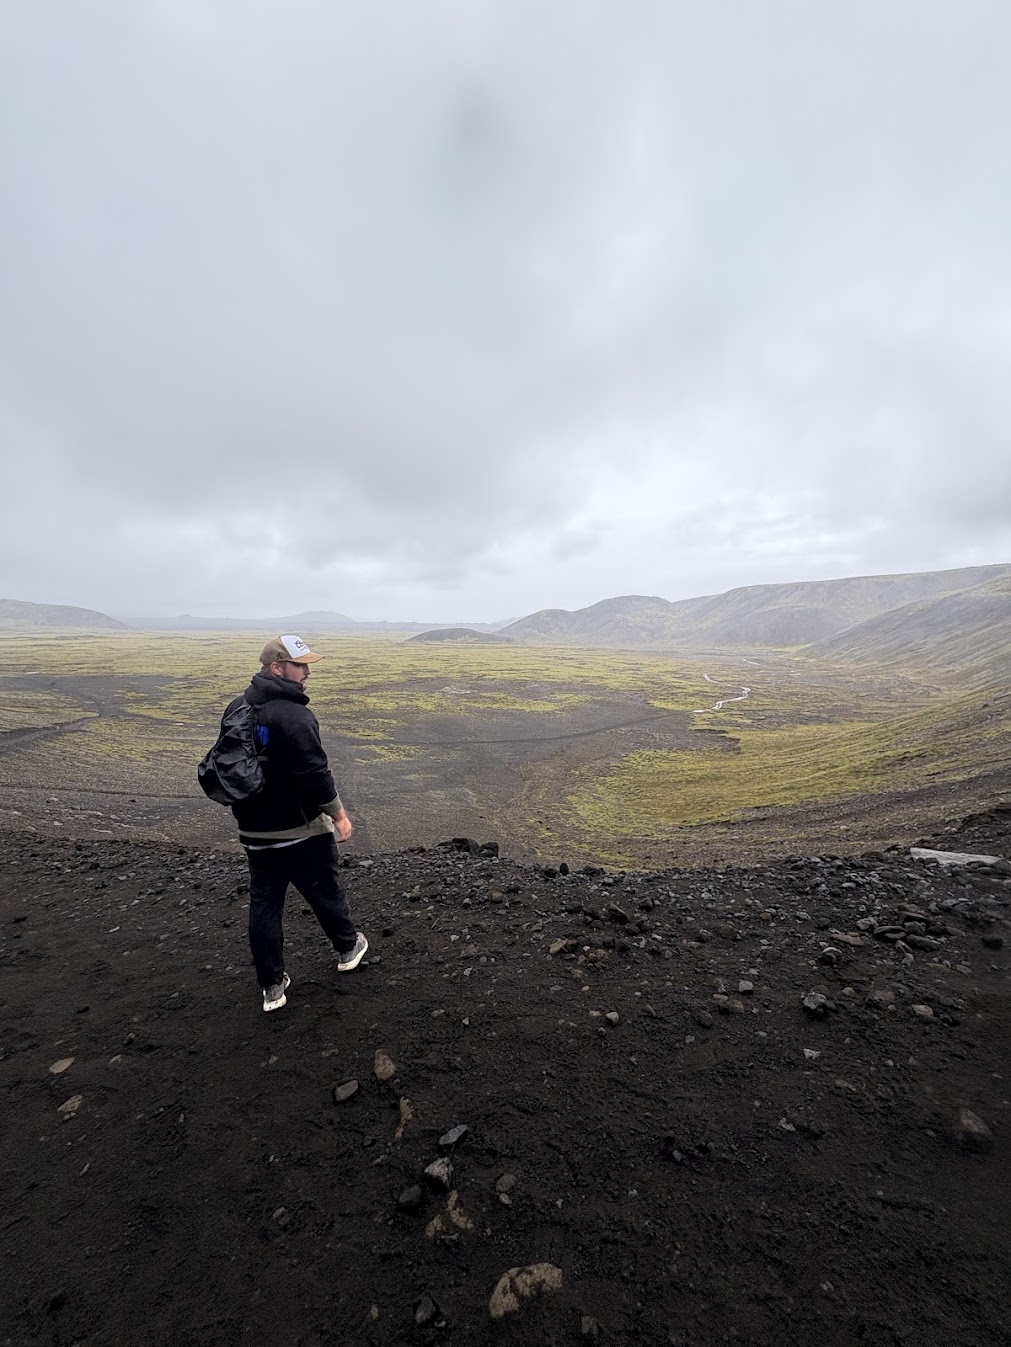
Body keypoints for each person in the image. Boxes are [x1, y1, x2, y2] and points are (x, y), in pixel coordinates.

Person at [223, 634, 367, 1012]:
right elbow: (314, 773)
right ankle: (348, 948)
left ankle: (271, 987)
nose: (307, 674)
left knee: (264, 906)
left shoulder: (237, 708)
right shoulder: (295, 715)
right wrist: (338, 814)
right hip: (300, 829)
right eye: (301, 666)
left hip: (254, 831)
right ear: (277, 667)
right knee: (324, 892)